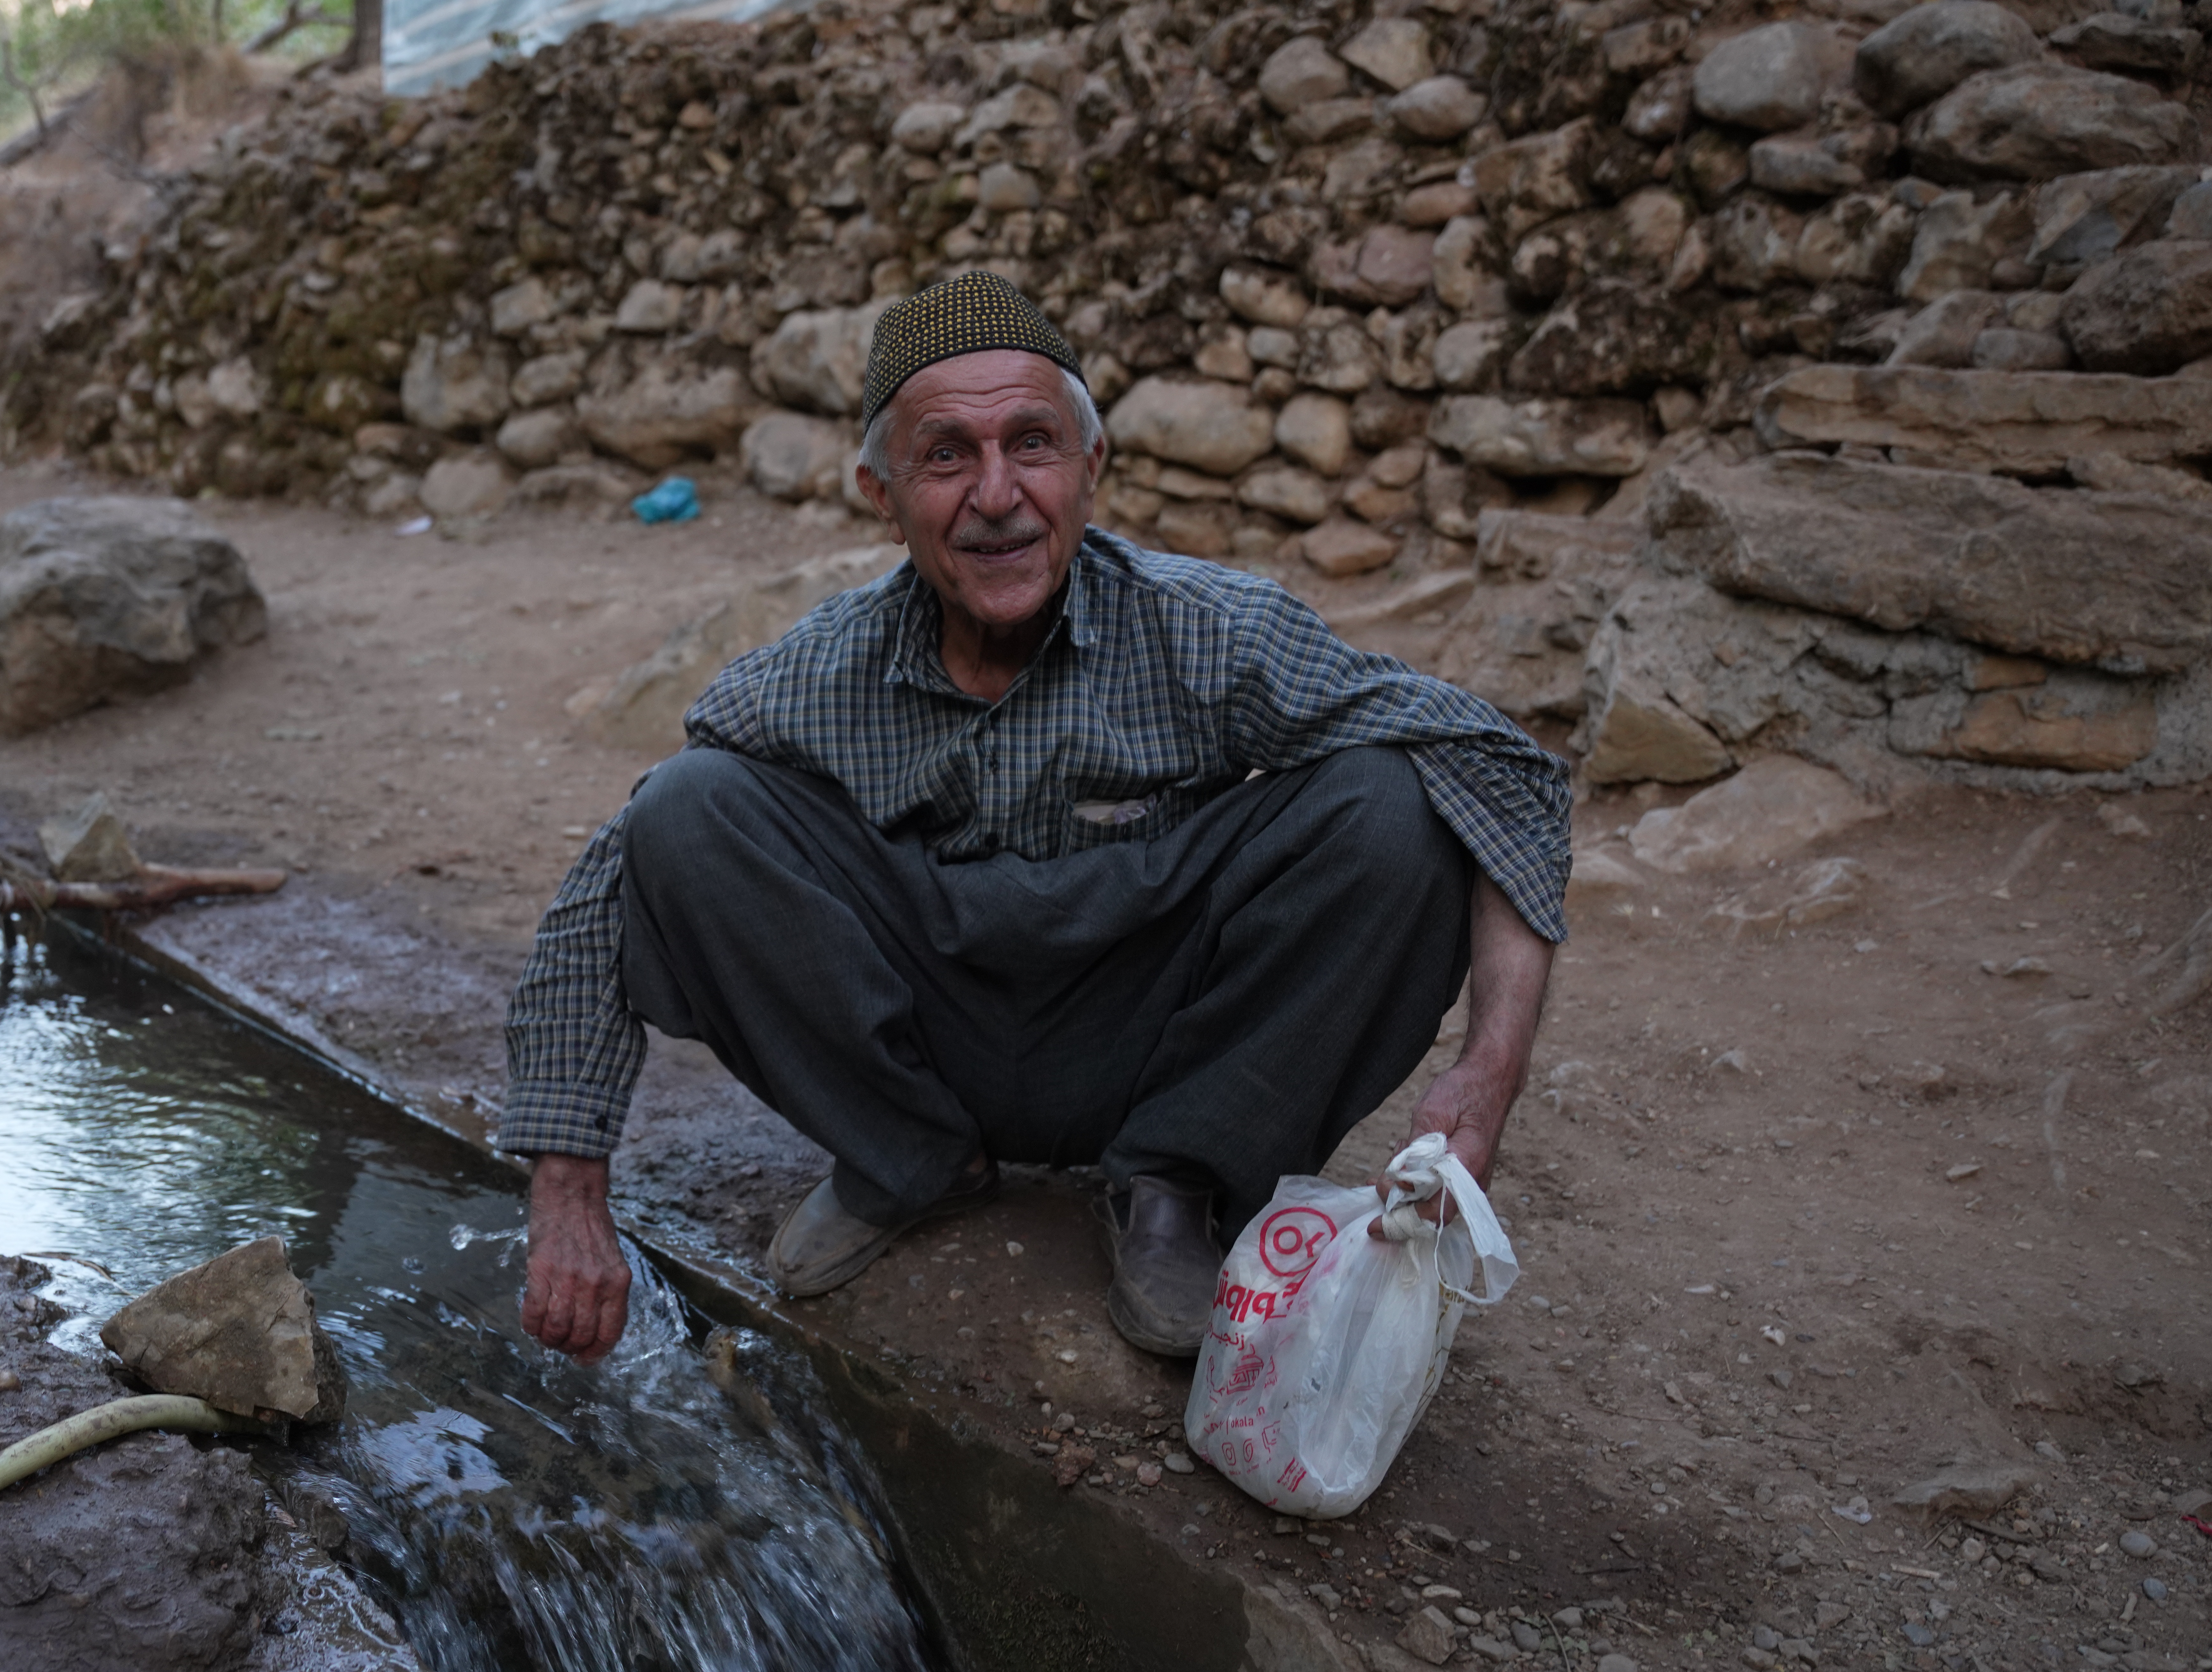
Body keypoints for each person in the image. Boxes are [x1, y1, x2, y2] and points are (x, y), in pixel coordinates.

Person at [503, 271, 1570, 1365]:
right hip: (932, 1030)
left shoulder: (1207, 631)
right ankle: (910, 1158)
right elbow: (615, 877)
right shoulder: (820, 673)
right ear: (883, 494)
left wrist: (1486, 1077)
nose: (998, 494)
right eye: (946, 455)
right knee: (687, 808)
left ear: (1090, 468)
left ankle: (1174, 1183)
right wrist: (567, 1194)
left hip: (1152, 1025)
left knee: (1389, 806)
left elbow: (1492, 764)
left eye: (1033, 443)